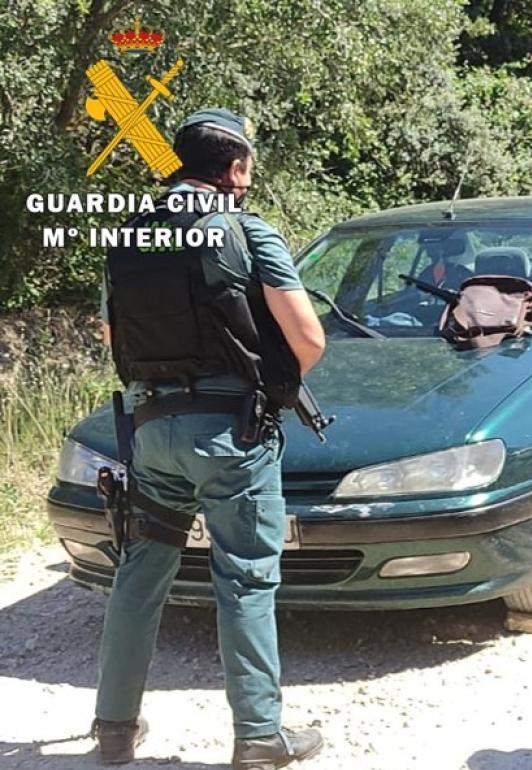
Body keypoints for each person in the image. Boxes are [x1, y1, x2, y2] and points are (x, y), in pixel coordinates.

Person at [92, 108, 327, 769]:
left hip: (151, 428)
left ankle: (113, 730)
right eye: (248, 169)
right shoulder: (247, 231)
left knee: (139, 575)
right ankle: (258, 738)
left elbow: (113, 337)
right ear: (235, 169)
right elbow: (309, 339)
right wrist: (272, 382)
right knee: (245, 579)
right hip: (231, 433)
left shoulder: (130, 237)